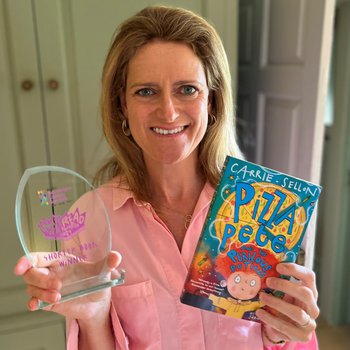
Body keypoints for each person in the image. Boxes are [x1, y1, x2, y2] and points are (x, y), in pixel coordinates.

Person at [14, 6, 320, 349]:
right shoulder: (90, 222)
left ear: (212, 102)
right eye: (146, 91)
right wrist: (94, 317)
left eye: (187, 89)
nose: (169, 111)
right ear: (122, 107)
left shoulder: (264, 209)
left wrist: (286, 331)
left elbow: (282, 337)